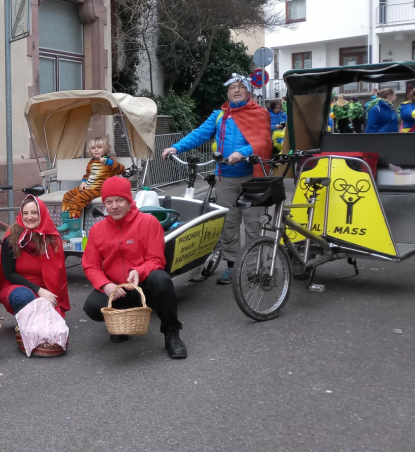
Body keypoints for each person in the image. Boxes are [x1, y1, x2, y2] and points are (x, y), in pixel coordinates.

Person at [161, 73, 272, 285]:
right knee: (228, 225)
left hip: (252, 177)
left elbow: (263, 141)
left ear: (249, 91)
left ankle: (255, 268)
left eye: (240, 86)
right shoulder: (219, 115)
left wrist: (242, 152)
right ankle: (232, 266)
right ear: (227, 92)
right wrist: (177, 146)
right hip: (226, 177)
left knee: (253, 225)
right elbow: (199, 134)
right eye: (232, 87)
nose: (236, 90)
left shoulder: (260, 113)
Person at [81, 177, 187, 359]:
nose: (114, 206)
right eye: (109, 201)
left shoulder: (148, 222)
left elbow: (156, 260)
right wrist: (106, 285)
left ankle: (172, 333)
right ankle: (121, 324)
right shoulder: (97, 230)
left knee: (161, 279)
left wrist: (138, 271)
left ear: (129, 200)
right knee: (92, 307)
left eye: (119, 200)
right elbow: (90, 265)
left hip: (143, 285)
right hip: (116, 288)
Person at [0, 195, 70, 317]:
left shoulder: (51, 238)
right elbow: (9, 274)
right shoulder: (12, 237)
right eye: (25, 213)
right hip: (18, 287)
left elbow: (58, 277)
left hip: (46, 290)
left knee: (51, 331)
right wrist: (38, 290)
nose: (29, 217)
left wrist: (51, 296)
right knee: (24, 297)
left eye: (34, 213)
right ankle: (24, 326)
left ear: (42, 214)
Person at [58, 136, 125, 240]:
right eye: (93, 148)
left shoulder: (109, 161)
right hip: (88, 187)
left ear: (106, 149)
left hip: (99, 189)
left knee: (76, 200)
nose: (96, 150)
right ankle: (67, 222)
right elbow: (87, 175)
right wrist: (83, 182)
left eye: (99, 147)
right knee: (67, 196)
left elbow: (121, 170)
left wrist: (108, 162)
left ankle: (75, 230)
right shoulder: (91, 162)